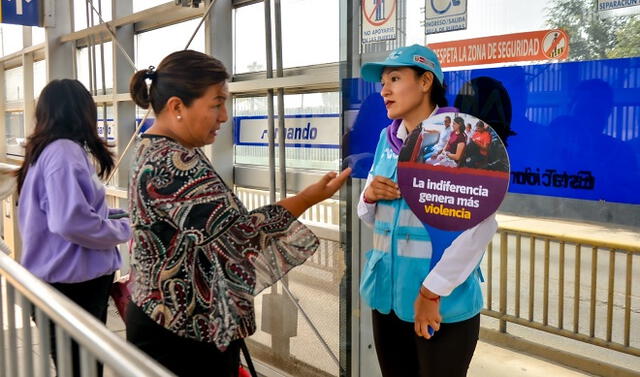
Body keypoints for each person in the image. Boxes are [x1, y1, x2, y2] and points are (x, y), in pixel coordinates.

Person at [126, 50, 350, 377]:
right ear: (176, 107)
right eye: (216, 103)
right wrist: (307, 198)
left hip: (168, 318)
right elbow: (240, 236)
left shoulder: (159, 148)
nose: (224, 116)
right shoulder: (173, 164)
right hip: (181, 334)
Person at [358, 44, 503, 377]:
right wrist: (369, 197)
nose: (384, 90)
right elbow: (370, 219)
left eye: (395, 78)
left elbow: (480, 228)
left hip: (441, 306)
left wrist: (431, 291)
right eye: (382, 82)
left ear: (425, 82)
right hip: (390, 299)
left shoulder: (460, 139)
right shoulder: (387, 139)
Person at [16, 79, 132, 377]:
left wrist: (116, 217)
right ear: (81, 112)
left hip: (62, 284)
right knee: (82, 369)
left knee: (77, 367)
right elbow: (71, 222)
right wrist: (125, 230)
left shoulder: (47, 151)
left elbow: (78, 211)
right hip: (72, 288)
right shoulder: (64, 153)